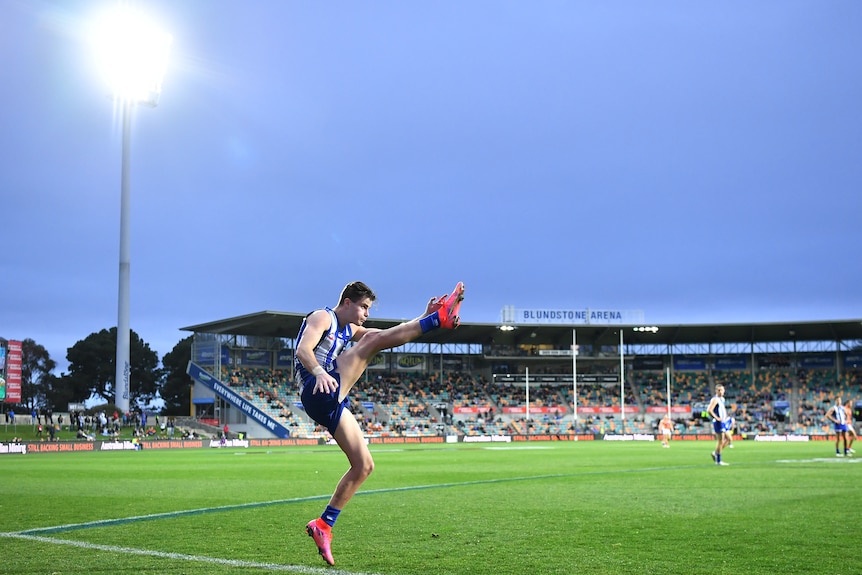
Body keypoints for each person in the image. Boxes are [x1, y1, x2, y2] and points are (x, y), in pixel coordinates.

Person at [297, 280, 464, 566]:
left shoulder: (348, 328)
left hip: (332, 399)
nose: (366, 313)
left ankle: (323, 526)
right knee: (371, 344)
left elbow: (385, 335)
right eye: (363, 307)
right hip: (318, 386)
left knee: (364, 466)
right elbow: (303, 349)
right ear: (347, 302)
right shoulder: (322, 317)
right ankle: (439, 319)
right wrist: (319, 372)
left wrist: (422, 318)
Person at [707, 384, 731, 466]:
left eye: (722, 390)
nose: (720, 392)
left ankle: (715, 453)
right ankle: (718, 460)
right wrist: (717, 418)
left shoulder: (722, 399)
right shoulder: (715, 399)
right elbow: (709, 410)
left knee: (729, 439)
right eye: (719, 390)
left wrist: (725, 416)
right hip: (718, 422)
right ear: (716, 391)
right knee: (720, 441)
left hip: (723, 422)